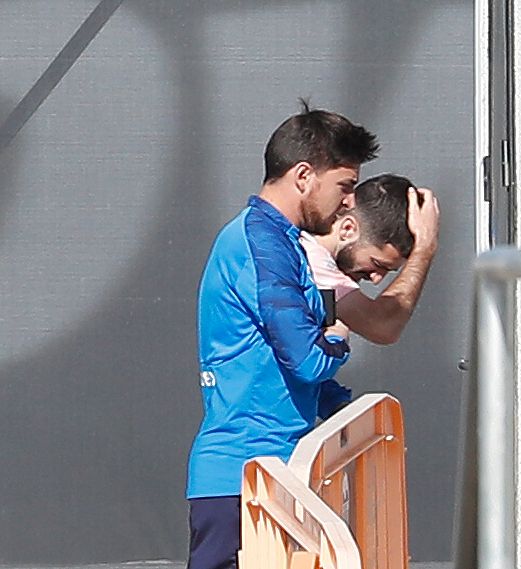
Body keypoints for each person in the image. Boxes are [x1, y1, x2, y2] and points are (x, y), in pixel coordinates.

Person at [186, 105, 379, 569]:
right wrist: (340, 336)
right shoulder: (258, 241)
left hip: (281, 476)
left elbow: (301, 374)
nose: (349, 202)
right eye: (345, 186)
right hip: (242, 480)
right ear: (304, 175)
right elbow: (308, 359)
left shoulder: (284, 243)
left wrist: (352, 417)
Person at [302, 173, 440, 347]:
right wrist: (424, 249)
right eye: (377, 264)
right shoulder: (312, 260)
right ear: (348, 229)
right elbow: (382, 326)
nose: (376, 279)